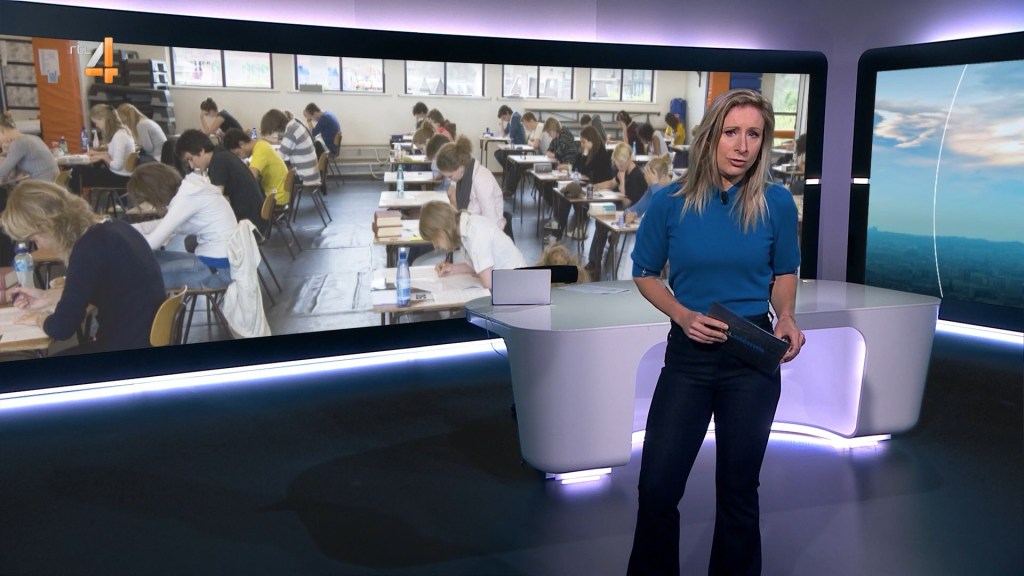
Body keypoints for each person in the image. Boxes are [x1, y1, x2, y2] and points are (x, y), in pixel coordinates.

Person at [626, 89, 804, 576]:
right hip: (690, 356)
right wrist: (682, 315)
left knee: (739, 491)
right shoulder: (670, 203)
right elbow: (645, 273)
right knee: (657, 487)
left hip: (751, 356)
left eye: (754, 134)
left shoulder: (775, 202)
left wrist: (786, 316)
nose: (742, 146)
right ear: (710, 137)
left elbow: (784, 272)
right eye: (731, 132)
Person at [1, 179, 164, 354]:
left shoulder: (88, 249)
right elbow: (100, 291)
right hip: (146, 338)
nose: (39, 246)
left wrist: (40, 318)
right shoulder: (115, 227)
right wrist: (47, 296)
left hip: (126, 350)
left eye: (35, 239)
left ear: (46, 225)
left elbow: (61, 328)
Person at [127, 163, 237, 290]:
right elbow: (164, 224)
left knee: (137, 276)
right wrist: (128, 229)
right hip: (218, 262)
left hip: (219, 271)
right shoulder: (189, 189)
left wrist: (122, 239)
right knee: (154, 257)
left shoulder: (186, 198)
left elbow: (152, 243)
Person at [418, 200, 525, 290]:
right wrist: (453, 269)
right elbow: (479, 266)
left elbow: (488, 283)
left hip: (515, 288)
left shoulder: (474, 232)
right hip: (508, 283)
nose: (436, 245)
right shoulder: (465, 229)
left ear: (442, 231)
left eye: (434, 239)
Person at [175, 128, 266, 229]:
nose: (191, 166)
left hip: (249, 226)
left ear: (201, 150)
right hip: (255, 219)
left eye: (190, 159)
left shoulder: (218, 162)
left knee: (195, 233)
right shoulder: (221, 154)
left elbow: (214, 202)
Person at [585, 142, 645, 280]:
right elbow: (612, 183)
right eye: (617, 165)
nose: (619, 168)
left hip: (632, 215)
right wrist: (595, 186)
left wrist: (622, 181)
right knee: (600, 222)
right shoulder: (624, 170)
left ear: (629, 159)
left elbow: (626, 202)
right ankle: (594, 261)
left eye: (621, 165)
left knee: (601, 224)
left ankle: (594, 262)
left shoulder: (637, 176)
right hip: (621, 211)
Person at [546, 125, 613, 243]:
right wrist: (572, 163)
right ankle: (557, 233)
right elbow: (577, 165)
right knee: (565, 197)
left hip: (599, 191)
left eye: (584, 142)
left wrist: (585, 154)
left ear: (591, 141)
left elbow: (584, 169)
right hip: (589, 188)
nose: (582, 144)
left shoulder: (601, 154)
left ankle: (557, 234)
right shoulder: (588, 151)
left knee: (567, 197)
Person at [435, 135, 505, 230]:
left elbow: (492, 223)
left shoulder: (481, 180)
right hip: (472, 227)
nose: (448, 180)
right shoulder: (463, 173)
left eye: (450, 176)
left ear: (460, 167)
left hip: (486, 232)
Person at [76, 104, 137, 194]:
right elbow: (114, 154)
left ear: (103, 119)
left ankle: (73, 199)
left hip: (119, 178)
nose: (96, 125)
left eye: (96, 122)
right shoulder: (122, 132)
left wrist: (103, 157)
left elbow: (117, 165)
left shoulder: (119, 136)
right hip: (121, 176)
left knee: (77, 172)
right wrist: (97, 153)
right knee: (79, 169)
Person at [223, 128, 289, 205]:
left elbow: (250, 179)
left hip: (276, 197)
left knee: (237, 200)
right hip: (279, 193)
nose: (240, 158)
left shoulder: (260, 149)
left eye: (238, 154)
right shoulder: (261, 144)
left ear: (242, 144)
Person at [260, 109, 319, 187]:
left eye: (272, 130)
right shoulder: (295, 124)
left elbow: (279, 157)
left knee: (268, 179)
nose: (274, 132)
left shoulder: (291, 130)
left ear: (275, 126)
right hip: (310, 173)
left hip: (305, 177)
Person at [0, 111, 58, 183]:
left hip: (43, 186)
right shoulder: (33, 138)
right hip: (52, 185)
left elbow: (2, 174)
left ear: (2, 130)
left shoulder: (19, 143)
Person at [502, 112, 544, 198]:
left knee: (518, 165)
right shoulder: (534, 130)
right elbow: (528, 141)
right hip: (539, 158)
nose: (525, 127)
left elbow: (534, 145)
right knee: (516, 163)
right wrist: (530, 142)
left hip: (543, 160)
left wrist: (530, 142)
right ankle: (507, 189)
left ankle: (509, 191)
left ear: (531, 121)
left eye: (525, 124)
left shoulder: (540, 127)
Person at [625, 154, 673, 223]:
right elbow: (638, 207)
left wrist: (655, 185)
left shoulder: (675, 190)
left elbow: (662, 211)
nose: (649, 186)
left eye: (651, 182)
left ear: (663, 177)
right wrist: (630, 214)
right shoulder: (652, 187)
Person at [493, 105, 526, 172]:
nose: (504, 120)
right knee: (497, 153)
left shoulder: (515, 117)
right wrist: (501, 123)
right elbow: (503, 134)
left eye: (503, 117)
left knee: (502, 154)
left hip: (519, 148)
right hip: (514, 147)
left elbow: (511, 135)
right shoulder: (511, 120)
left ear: (507, 113)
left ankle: (513, 171)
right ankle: (512, 171)